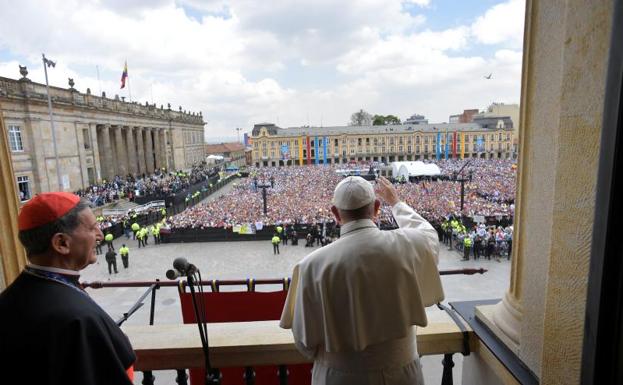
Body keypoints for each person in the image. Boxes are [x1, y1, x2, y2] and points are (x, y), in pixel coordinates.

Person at [280, 176, 444, 385]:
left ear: (335, 214)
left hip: (339, 378)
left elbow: (305, 343)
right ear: (376, 208)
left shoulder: (311, 266)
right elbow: (427, 233)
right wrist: (396, 203)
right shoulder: (411, 245)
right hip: (404, 376)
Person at [0, 192, 135, 384]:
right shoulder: (78, 318)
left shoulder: (8, 298)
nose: (101, 235)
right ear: (61, 243)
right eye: (93, 227)